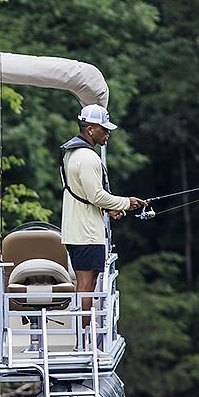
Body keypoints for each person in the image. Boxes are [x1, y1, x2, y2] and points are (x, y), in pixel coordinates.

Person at [59, 104, 147, 335]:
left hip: (76, 228)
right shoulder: (87, 158)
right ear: (90, 129)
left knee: (84, 285)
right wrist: (126, 203)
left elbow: (83, 194)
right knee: (87, 287)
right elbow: (96, 195)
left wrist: (109, 209)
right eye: (104, 129)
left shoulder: (71, 153)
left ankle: (80, 335)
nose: (107, 133)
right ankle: (81, 338)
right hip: (87, 232)